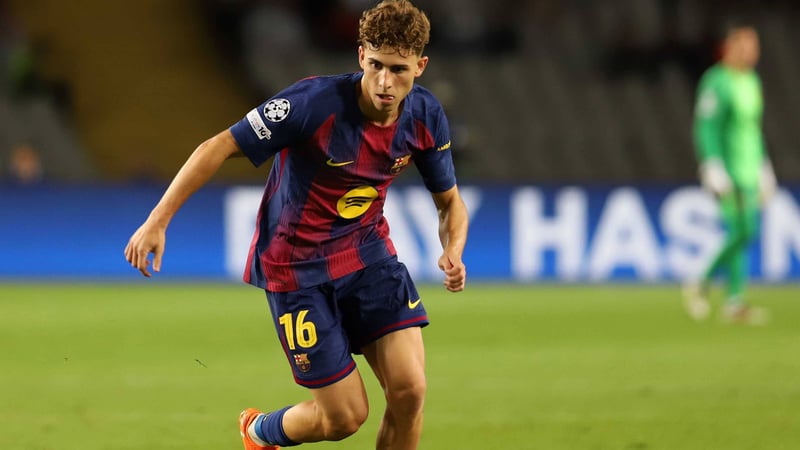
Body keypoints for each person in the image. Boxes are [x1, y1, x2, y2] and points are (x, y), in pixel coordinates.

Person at [124, 1, 468, 449]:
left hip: (368, 257)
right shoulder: (311, 104)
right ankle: (259, 431)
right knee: (344, 419)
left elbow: (449, 204)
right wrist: (157, 220)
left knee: (410, 391)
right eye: (376, 65)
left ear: (419, 67)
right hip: (297, 270)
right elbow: (217, 146)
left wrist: (453, 249)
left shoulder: (424, 115)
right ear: (361, 56)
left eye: (398, 70)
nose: (385, 82)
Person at [683, 22, 775, 325]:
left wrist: (764, 166)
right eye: (746, 46)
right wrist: (712, 165)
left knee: (744, 233)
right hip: (729, 170)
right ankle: (704, 282)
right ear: (731, 48)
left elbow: (753, 129)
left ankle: (731, 300)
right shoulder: (717, 81)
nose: (753, 52)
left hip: (749, 169)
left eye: (755, 47)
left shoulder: (751, 81)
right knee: (743, 230)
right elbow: (706, 126)